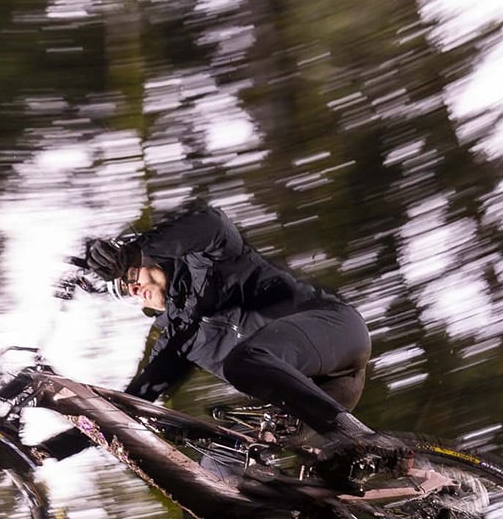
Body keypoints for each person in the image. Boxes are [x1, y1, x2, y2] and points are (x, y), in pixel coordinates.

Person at [40, 202, 404, 487]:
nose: (132, 288)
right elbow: (129, 405)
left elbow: (212, 224)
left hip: (337, 332)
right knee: (214, 466)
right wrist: (50, 452)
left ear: (153, 260)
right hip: (313, 397)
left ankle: (360, 439)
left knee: (245, 362)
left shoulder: (208, 260)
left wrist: (133, 253)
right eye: (123, 291)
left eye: (131, 276)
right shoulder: (178, 339)